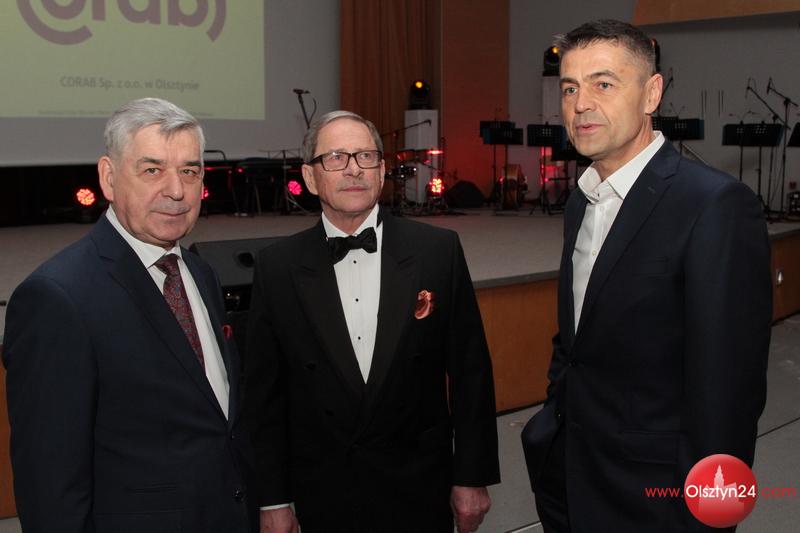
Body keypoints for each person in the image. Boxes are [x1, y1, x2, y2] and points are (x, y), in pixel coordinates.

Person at [521, 19, 772, 533]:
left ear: (651, 93)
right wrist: (551, 423)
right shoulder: (580, 202)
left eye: (603, 84)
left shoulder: (714, 205)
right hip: (569, 475)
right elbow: (576, 342)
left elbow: (729, 388)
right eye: (569, 88)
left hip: (658, 498)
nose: (581, 104)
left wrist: (709, 513)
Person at [2, 98, 254, 533]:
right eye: (152, 170)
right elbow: (49, 484)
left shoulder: (201, 273)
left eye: (190, 171)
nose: (176, 190)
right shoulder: (57, 298)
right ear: (109, 177)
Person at [243, 110, 500, 533]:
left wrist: (472, 476)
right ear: (310, 178)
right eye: (336, 158)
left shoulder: (437, 251)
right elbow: (264, 396)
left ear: (381, 171)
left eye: (365, 156)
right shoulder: (277, 267)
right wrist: (272, 498)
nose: (353, 169)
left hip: (419, 486)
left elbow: (471, 373)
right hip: (322, 491)